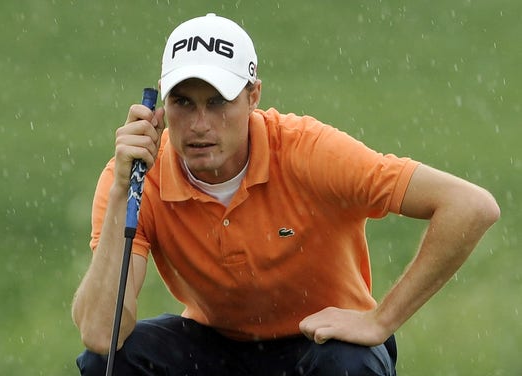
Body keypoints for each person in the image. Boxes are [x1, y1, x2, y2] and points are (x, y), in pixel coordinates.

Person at [71, 13, 500, 376]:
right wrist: (123, 191)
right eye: (183, 102)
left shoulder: (308, 151)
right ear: (161, 106)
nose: (200, 124)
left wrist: (381, 320)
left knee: (347, 365)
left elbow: (470, 205)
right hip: (213, 346)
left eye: (218, 102)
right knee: (110, 358)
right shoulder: (134, 176)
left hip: (319, 342)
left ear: (253, 96)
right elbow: (98, 333)